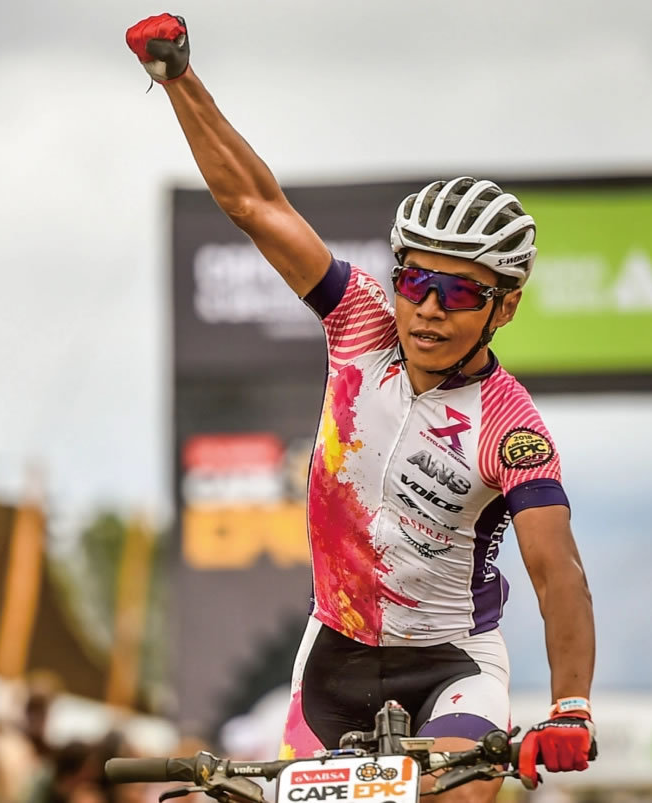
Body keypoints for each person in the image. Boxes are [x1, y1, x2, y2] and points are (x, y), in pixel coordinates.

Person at [124, 15, 597, 800]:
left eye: (459, 293)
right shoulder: (360, 322)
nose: (428, 309)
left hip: (452, 666)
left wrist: (571, 705)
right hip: (333, 657)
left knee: (460, 793)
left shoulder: (509, 425)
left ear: (505, 307)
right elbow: (256, 203)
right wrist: (178, 79)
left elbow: (558, 571)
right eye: (416, 282)